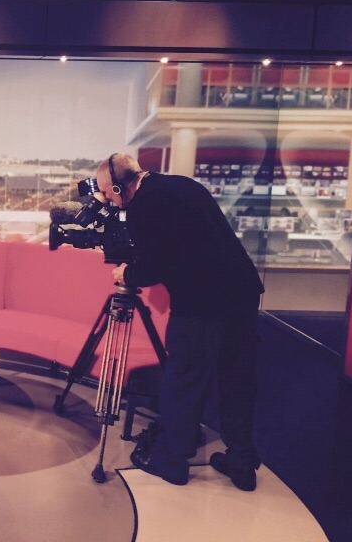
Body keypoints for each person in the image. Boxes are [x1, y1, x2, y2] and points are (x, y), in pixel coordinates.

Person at [94, 153, 264, 490]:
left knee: (185, 380)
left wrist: (127, 272)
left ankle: (171, 461)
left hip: (201, 304)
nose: (110, 201)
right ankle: (242, 463)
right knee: (237, 380)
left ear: (119, 187)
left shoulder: (144, 205)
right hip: (242, 294)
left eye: (109, 194)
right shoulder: (183, 185)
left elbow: (153, 267)